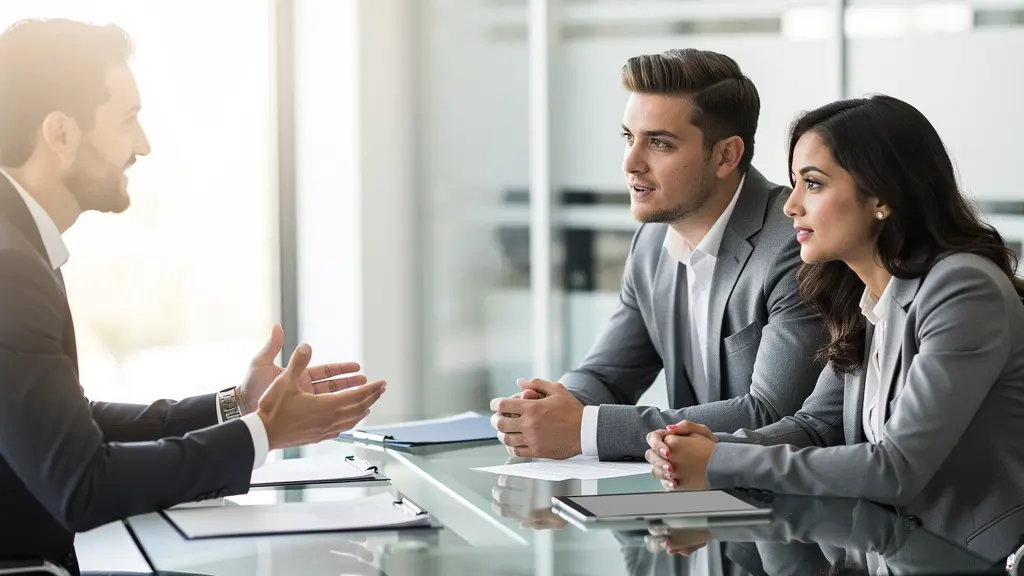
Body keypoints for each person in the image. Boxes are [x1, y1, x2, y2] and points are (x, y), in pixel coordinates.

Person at [0, 18, 387, 574]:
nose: (144, 145)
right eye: (128, 120)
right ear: (60, 133)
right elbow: (81, 483)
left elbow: (65, 425)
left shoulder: (19, 244)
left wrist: (238, 406)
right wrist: (263, 433)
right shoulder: (11, 266)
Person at [646, 94, 1024, 553]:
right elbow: (815, 427)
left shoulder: (962, 289)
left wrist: (721, 461)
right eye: (794, 183)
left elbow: (895, 470)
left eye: (814, 184)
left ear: (882, 196)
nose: (791, 206)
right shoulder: (871, 297)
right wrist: (705, 446)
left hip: (974, 559)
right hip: (893, 552)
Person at [489, 48, 826, 460]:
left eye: (659, 143)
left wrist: (586, 429)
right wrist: (546, 408)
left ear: (726, 156)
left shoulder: (793, 246)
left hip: (787, 510)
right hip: (692, 499)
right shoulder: (651, 244)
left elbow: (774, 415)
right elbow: (608, 375)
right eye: (628, 137)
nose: (631, 163)